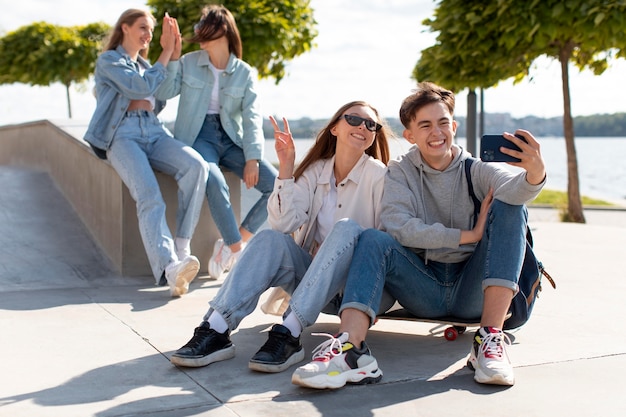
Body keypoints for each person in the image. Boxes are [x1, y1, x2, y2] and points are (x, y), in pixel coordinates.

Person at [291, 81, 546, 389]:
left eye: (442, 123)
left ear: (453, 126)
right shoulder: (400, 170)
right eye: (425, 125)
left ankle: (489, 340)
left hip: (472, 289)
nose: (436, 133)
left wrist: (535, 174)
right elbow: (400, 227)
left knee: (511, 207)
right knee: (374, 238)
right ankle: (350, 352)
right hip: (422, 286)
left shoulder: (475, 169)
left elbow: (513, 186)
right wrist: (468, 235)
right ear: (410, 135)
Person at [169, 101, 391, 375]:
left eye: (371, 124)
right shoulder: (315, 171)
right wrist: (286, 168)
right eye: (354, 119)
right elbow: (283, 222)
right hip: (313, 286)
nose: (363, 127)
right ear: (335, 127)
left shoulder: (380, 176)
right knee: (268, 239)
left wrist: (341, 252)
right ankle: (215, 329)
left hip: (355, 294)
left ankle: (289, 333)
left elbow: (385, 243)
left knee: (346, 229)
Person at [84, 9, 209, 296]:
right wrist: (164, 54)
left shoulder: (146, 65)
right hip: (122, 134)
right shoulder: (109, 61)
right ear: (124, 28)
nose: (148, 34)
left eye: (151, 30)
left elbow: (162, 93)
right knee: (150, 197)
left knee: (196, 167)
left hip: (154, 129)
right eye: (142, 27)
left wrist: (174, 54)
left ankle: (182, 245)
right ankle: (169, 268)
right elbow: (138, 88)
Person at [155, 5, 278, 279]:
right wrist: (173, 56)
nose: (198, 30)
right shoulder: (188, 62)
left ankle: (231, 242)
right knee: (214, 178)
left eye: (204, 25)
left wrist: (252, 157)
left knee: (277, 186)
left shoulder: (243, 72)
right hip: (198, 137)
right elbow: (163, 91)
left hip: (231, 138)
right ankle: (237, 251)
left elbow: (251, 118)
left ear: (222, 30)